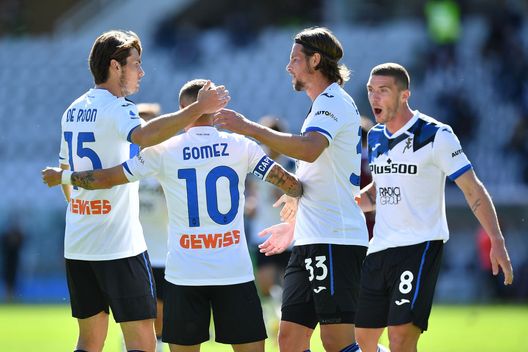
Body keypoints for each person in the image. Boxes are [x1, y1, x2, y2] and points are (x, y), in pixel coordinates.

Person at [43, 79, 303, 352]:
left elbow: (108, 178)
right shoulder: (241, 145)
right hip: (234, 272)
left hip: (184, 275)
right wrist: (293, 194)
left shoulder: (164, 151)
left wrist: (64, 176)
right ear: (213, 110)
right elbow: (291, 183)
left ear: (181, 109)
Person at [51, 30, 229, 352]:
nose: (141, 71)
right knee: (143, 341)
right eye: (136, 64)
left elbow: (66, 176)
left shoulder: (72, 110)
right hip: (118, 245)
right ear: (116, 66)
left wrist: (86, 208)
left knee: (89, 340)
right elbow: (145, 136)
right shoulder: (119, 107)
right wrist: (197, 109)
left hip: (78, 241)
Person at [214, 27, 368, 352]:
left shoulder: (334, 101)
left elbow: (310, 149)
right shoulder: (322, 105)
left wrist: (247, 127)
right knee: (290, 340)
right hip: (310, 238)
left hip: (334, 239)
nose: (289, 67)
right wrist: (295, 222)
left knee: (337, 342)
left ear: (315, 60)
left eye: (295, 59)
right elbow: (318, 174)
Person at [354, 62, 514, 352]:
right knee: (364, 340)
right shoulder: (375, 137)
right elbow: (379, 190)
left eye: (383, 91)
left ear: (404, 95)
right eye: (370, 91)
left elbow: (472, 188)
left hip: (419, 246)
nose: (374, 98)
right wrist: (345, 206)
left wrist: (497, 239)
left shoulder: (435, 135)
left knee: (401, 337)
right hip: (379, 248)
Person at [245, 116, 296, 338]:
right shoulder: (257, 166)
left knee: (287, 287)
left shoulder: (291, 165)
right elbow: (249, 193)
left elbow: (303, 193)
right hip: (263, 232)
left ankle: (282, 326)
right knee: (266, 284)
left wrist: (288, 194)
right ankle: (273, 318)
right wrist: (250, 204)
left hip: (290, 235)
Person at [137, 103, 169, 352]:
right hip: (134, 250)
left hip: (163, 251)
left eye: (150, 121)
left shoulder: (167, 161)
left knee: (160, 311)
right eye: (140, 122)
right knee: (139, 312)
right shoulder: (125, 163)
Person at [1, 214, 25, 302]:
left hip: (15, 261)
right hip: (8, 261)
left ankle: (12, 296)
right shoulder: (5, 237)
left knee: (14, 279)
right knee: (8, 279)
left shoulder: (18, 235)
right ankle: (8, 296)